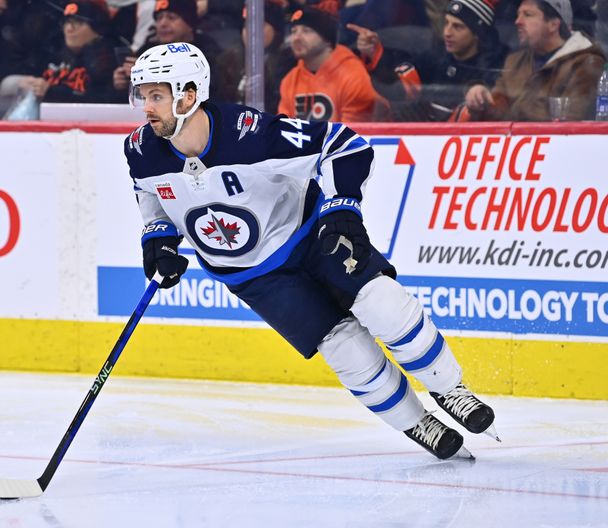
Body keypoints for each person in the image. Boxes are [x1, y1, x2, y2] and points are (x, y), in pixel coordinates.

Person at [123, 42, 499, 460]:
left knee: (383, 303)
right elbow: (150, 194)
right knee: (344, 348)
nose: (146, 107)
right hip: (253, 277)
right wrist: (157, 238)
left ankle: (450, 390)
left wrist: (342, 207)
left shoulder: (250, 135)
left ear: (188, 95)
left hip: (309, 239)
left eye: (156, 95)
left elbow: (344, 144)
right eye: (143, 96)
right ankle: (417, 423)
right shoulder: (141, 150)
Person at [351, 0, 508, 121]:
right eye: (446, 23)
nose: (447, 32)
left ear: (477, 34)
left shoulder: (495, 66)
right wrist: (375, 54)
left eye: (457, 27)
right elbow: (398, 87)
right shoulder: (435, 58)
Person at [464, 0, 606, 121]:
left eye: (528, 15)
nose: (517, 21)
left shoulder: (587, 64)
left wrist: (517, 110)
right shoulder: (515, 61)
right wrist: (481, 102)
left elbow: (570, 121)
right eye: (518, 14)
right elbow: (498, 113)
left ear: (553, 25)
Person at [278, 5, 381, 122]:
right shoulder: (290, 80)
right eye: (293, 31)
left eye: (306, 31)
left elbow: (353, 134)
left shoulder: (352, 74)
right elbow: (284, 130)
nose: (296, 37)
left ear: (327, 39)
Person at [16, 0, 118, 103]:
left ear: (98, 28)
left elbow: (102, 101)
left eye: (78, 23)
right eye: (66, 22)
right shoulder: (51, 54)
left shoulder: (109, 63)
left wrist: (53, 92)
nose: (69, 29)